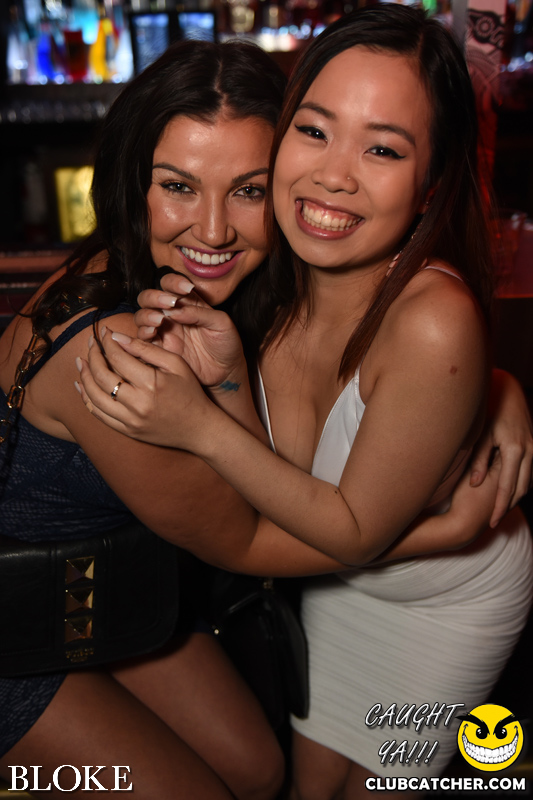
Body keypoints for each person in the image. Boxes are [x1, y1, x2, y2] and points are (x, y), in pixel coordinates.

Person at [76, 6, 533, 799]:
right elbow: (283, 486)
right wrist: (227, 381)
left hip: (441, 603)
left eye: (382, 148)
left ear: (429, 182)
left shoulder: (431, 322)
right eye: (314, 131)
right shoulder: (270, 281)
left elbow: (348, 528)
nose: (334, 175)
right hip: (332, 588)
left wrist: (200, 425)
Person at [0, 39, 288, 800]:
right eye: (178, 187)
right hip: (15, 625)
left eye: (250, 191)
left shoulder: (142, 276)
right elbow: (246, 538)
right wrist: (449, 532)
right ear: (133, 183)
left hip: (95, 589)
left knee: (258, 770)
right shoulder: (119, 343)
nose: (214, 230)